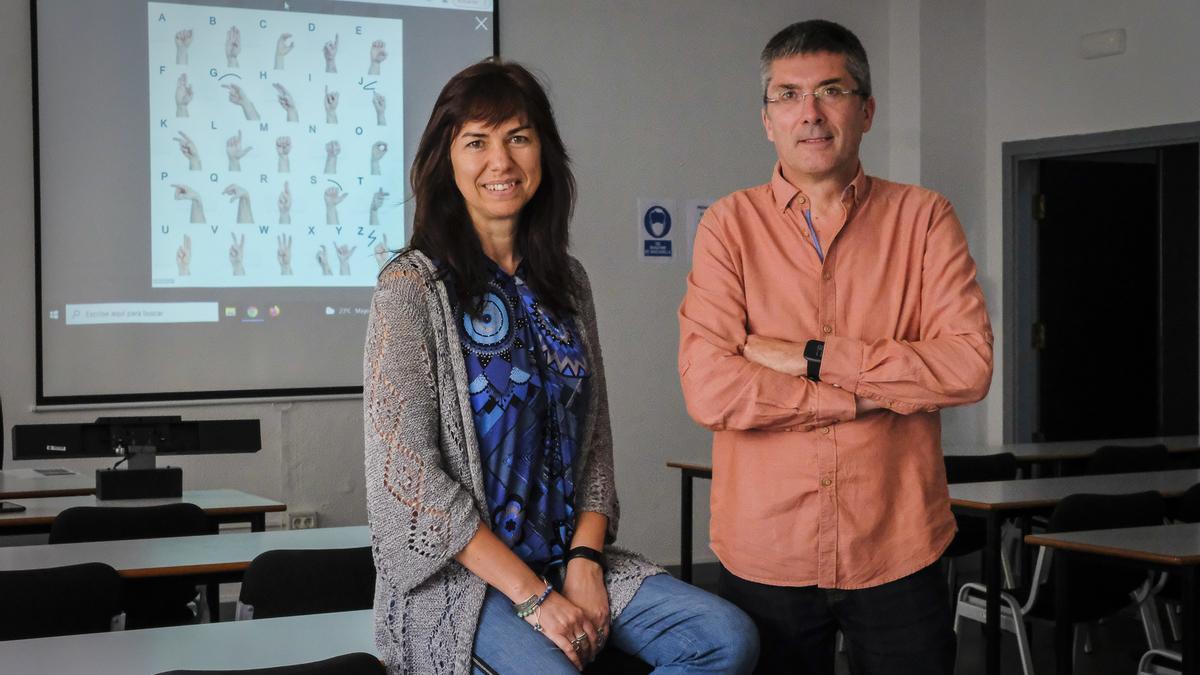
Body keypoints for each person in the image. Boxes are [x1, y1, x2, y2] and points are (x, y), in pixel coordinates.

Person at [364, 59, 758, 675]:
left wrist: (586, 564)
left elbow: (593, 446)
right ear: (446, 160)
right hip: (465, 580)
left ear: (543, 151)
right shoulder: (412, 287)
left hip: (565, 559)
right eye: (477, 142)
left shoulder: (568, 283)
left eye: (518, 137)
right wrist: (535, 597)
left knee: (724, 637)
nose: (501, 161)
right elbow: (408, 483)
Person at [678, 19, 993, 675]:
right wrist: (866, 397)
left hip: (896, 544)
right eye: (788, 95)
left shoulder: (924, 218)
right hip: (766, 548)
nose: (810, 114)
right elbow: (711, 386)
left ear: (867, 109)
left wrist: (814, 355)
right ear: (767, 119)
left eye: (831, 91)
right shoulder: (728, 227)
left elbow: (967, 367)